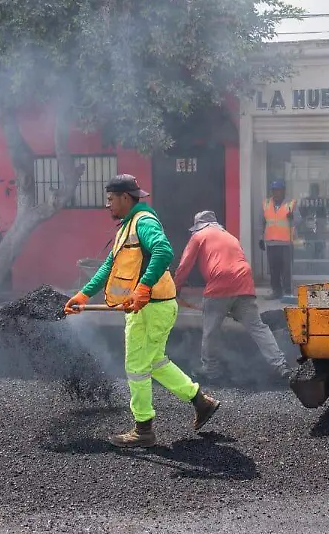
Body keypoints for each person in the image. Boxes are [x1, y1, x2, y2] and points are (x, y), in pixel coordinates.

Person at [65, 174, 221, 448]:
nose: (107, 205)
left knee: (136, 367)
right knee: (155, 361)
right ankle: (200, 401)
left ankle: (144, 429)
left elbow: (164, 251)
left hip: (151, 307)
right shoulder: (127, 227)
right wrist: (84, 294)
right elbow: (108, 267)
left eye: (111, 199)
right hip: (152, 307)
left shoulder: (144, 222)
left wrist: (144, 287)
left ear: (126, 197)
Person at [174, 210, 291, 384]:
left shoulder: (199, 236)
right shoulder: (230, 237)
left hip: (220, 284)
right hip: (244, 282)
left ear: (199, 226)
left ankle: (210, 370)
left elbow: (185, 265)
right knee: (258, 327)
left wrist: (174, 288)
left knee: (211, 330)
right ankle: (281, 365)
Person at [260, 179, 296, 301]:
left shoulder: (290, 204)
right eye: (274, 190)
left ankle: (287, 292)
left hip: (286, 242)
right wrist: (261, 238)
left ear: (283, 191)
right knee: (273, 269)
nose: (276, 193)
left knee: (286, 269)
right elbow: (263, 222)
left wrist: (293, 217)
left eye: (279, 190)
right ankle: (276, 291)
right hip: (271, 242)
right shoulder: (266, 203)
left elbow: (299, 221)